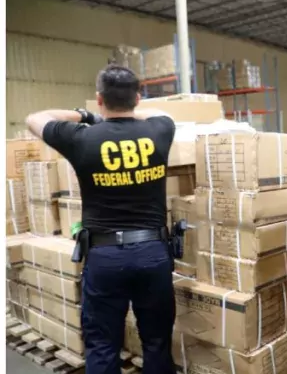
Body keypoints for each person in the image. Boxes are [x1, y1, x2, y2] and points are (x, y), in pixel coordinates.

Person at [25, 65, 178, 374]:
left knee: (103, 344)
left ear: (99, 99)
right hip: (152, 254)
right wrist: (129, 109)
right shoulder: (160, 130)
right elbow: (162, 112)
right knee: (157, 342)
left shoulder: (81, 138)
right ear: (137, 97)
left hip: (105, 257)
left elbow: (34, 118)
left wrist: (84, 115)